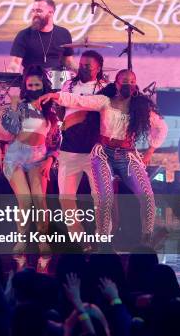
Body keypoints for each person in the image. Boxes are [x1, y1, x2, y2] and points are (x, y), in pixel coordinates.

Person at [36, 69, 168, 246]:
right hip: (103, 154)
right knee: (104, 199)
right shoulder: (105, 101)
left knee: (147, 196)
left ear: (135, 84)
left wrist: (151, 150)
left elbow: (161, 127)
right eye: (123, 81)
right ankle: (103, 242)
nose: (127, 84)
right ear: (117, 83)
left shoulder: (141, 108)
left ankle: (147, 239)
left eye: (131, 81)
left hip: (127, 155)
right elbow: (79, 100)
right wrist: (55, 95)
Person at [1, 66, 60, 255]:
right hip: (16, 156)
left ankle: (43, 240)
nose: (34, 87)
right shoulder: (22, 105)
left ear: (43, 85)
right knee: (25, 201)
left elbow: (57, 139)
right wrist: (13, 107)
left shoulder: (51, 109)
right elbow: (10, 127)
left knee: (39, 200)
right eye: (30, 85)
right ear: (25, 87)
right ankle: (22, 240)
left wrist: (51, 159)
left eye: (37, 84)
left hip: (39, 157)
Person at [57, 50, 110, 235]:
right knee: (66, 198)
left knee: (101, 198)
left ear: (98, 67)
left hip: (95, 151)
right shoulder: (68, 85)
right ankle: (78, 238)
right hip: (69, 149)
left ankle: (103, 237)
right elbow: (62, 110)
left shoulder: (106, 87)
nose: (83, 68)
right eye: (81, 64)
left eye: (88, 65)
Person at [8, 0, 75, 73]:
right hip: (32, 81)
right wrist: (6, 78)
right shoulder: (24, 35)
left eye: (39, 11)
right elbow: (15, 63)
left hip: (57, 80)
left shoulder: (64, 33)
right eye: (33, 11)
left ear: (51, 13)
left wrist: (81, 74)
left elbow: (68, 61)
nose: (35, 14)